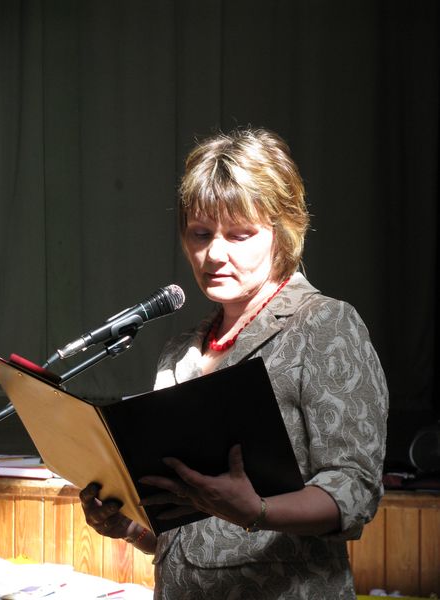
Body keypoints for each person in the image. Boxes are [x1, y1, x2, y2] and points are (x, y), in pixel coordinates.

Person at [79, 127, 388, 599]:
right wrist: (131, 527)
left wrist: (257, 512)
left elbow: (356, 488)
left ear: (283, 233)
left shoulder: (324, 325)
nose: (214, 254)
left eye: (240, 235)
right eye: (200, 234)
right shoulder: (180, 350)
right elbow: (191, 532)